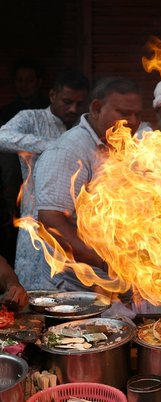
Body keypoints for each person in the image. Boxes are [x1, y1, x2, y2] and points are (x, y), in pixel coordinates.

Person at [34, 76, 142, 291]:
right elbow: (51, 221)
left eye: (137, 114)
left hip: (117, 284)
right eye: (123, 113)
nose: (133, 121)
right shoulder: (69, 151)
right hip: (76, 289)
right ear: (96, 108)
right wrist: (107, 262)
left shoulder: (122, 146)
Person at [0, 68, 90, 289]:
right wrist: (53, 147)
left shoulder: (83, 127)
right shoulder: (31, 118)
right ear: (53, 95)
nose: (73, 109)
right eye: (67, 101)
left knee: (74, 296)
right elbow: (2, 136)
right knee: (34, 293)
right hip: (35, 217)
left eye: (79, 104)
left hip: (75, 224)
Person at [0, 59, 50, 267]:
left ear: (39, 82)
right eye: (19, 81)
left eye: (29, 80)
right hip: (10, 181)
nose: (24, 85)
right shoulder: (8, 111)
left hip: (38, 188)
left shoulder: (45, 112)